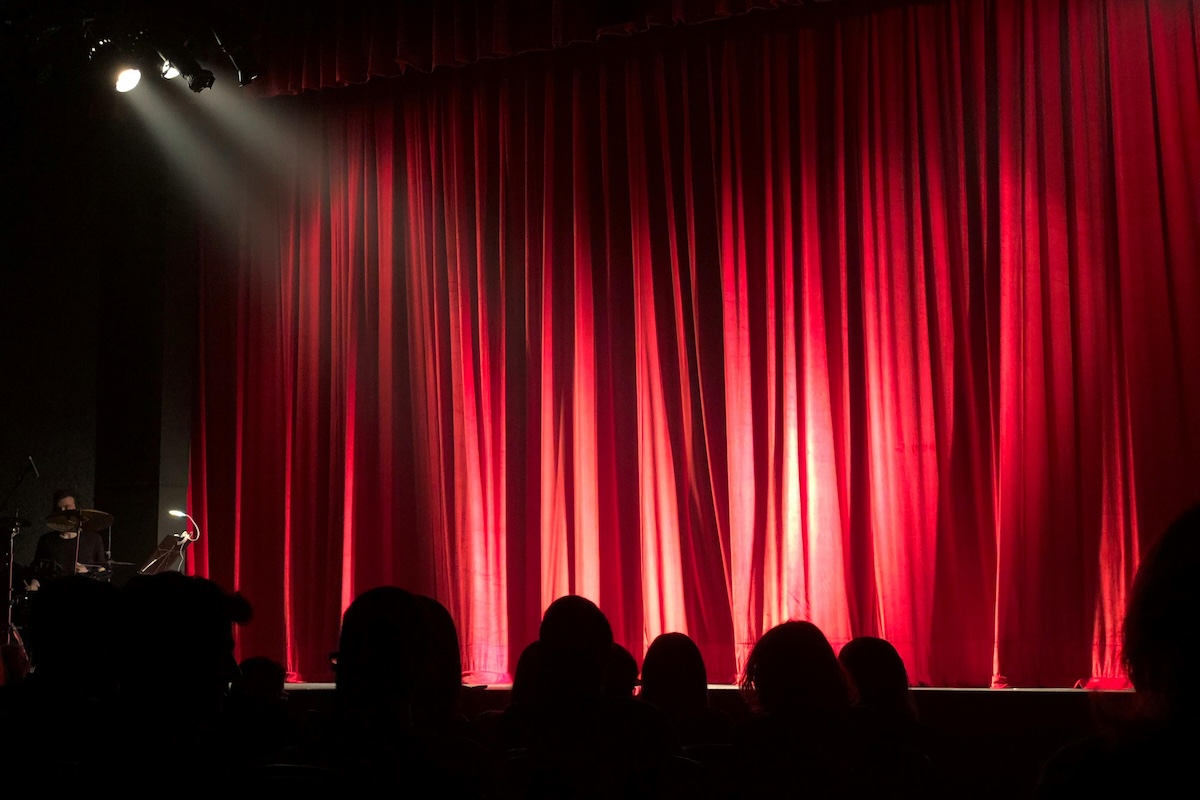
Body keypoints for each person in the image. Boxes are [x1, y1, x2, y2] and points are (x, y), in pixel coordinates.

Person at [25, 489, 105, 592]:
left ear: (77, 510)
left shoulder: (94, 539)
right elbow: (37, 572)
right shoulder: (46, 540)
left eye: (67, 508)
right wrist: (34, 584)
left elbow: (102, 572)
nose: (63, 512)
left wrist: (87, 574)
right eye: (60, 509)